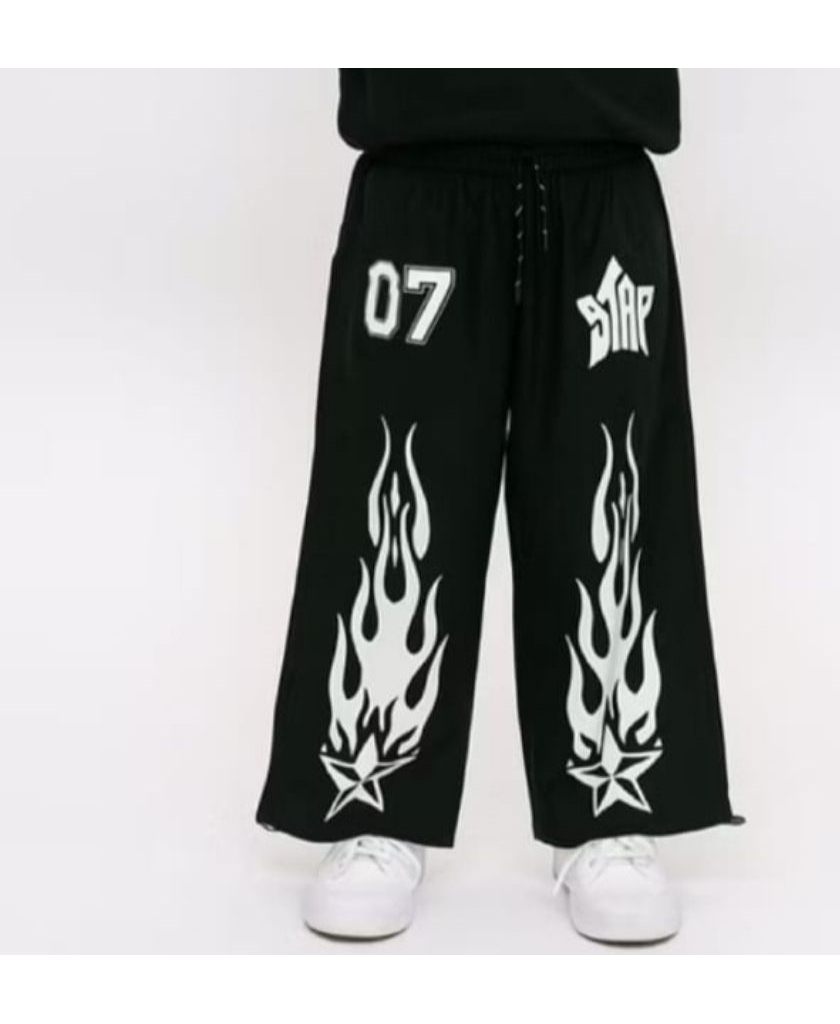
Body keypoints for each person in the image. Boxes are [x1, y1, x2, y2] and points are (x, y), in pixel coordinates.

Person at [255, 69, 744, 944]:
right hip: (418, 153)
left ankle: (605, 798)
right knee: (392, 478)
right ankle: (376, 794)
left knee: (610, 484)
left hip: (601, 148)